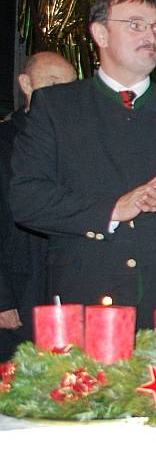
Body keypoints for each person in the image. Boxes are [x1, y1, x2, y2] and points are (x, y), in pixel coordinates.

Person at [10, 0, 156, 327]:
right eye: (135, 25)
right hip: (86, 297)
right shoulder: (57, 107)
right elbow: (27, 198)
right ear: (100, 33)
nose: (151, 36)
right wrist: (113, 210)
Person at [0, 52, 77, 359]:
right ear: (26, 84)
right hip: (19, 289)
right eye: (53, 84)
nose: (63, 95)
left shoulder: (83, 147)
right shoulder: (4, 142)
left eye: (70, 86)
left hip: (70, 286)